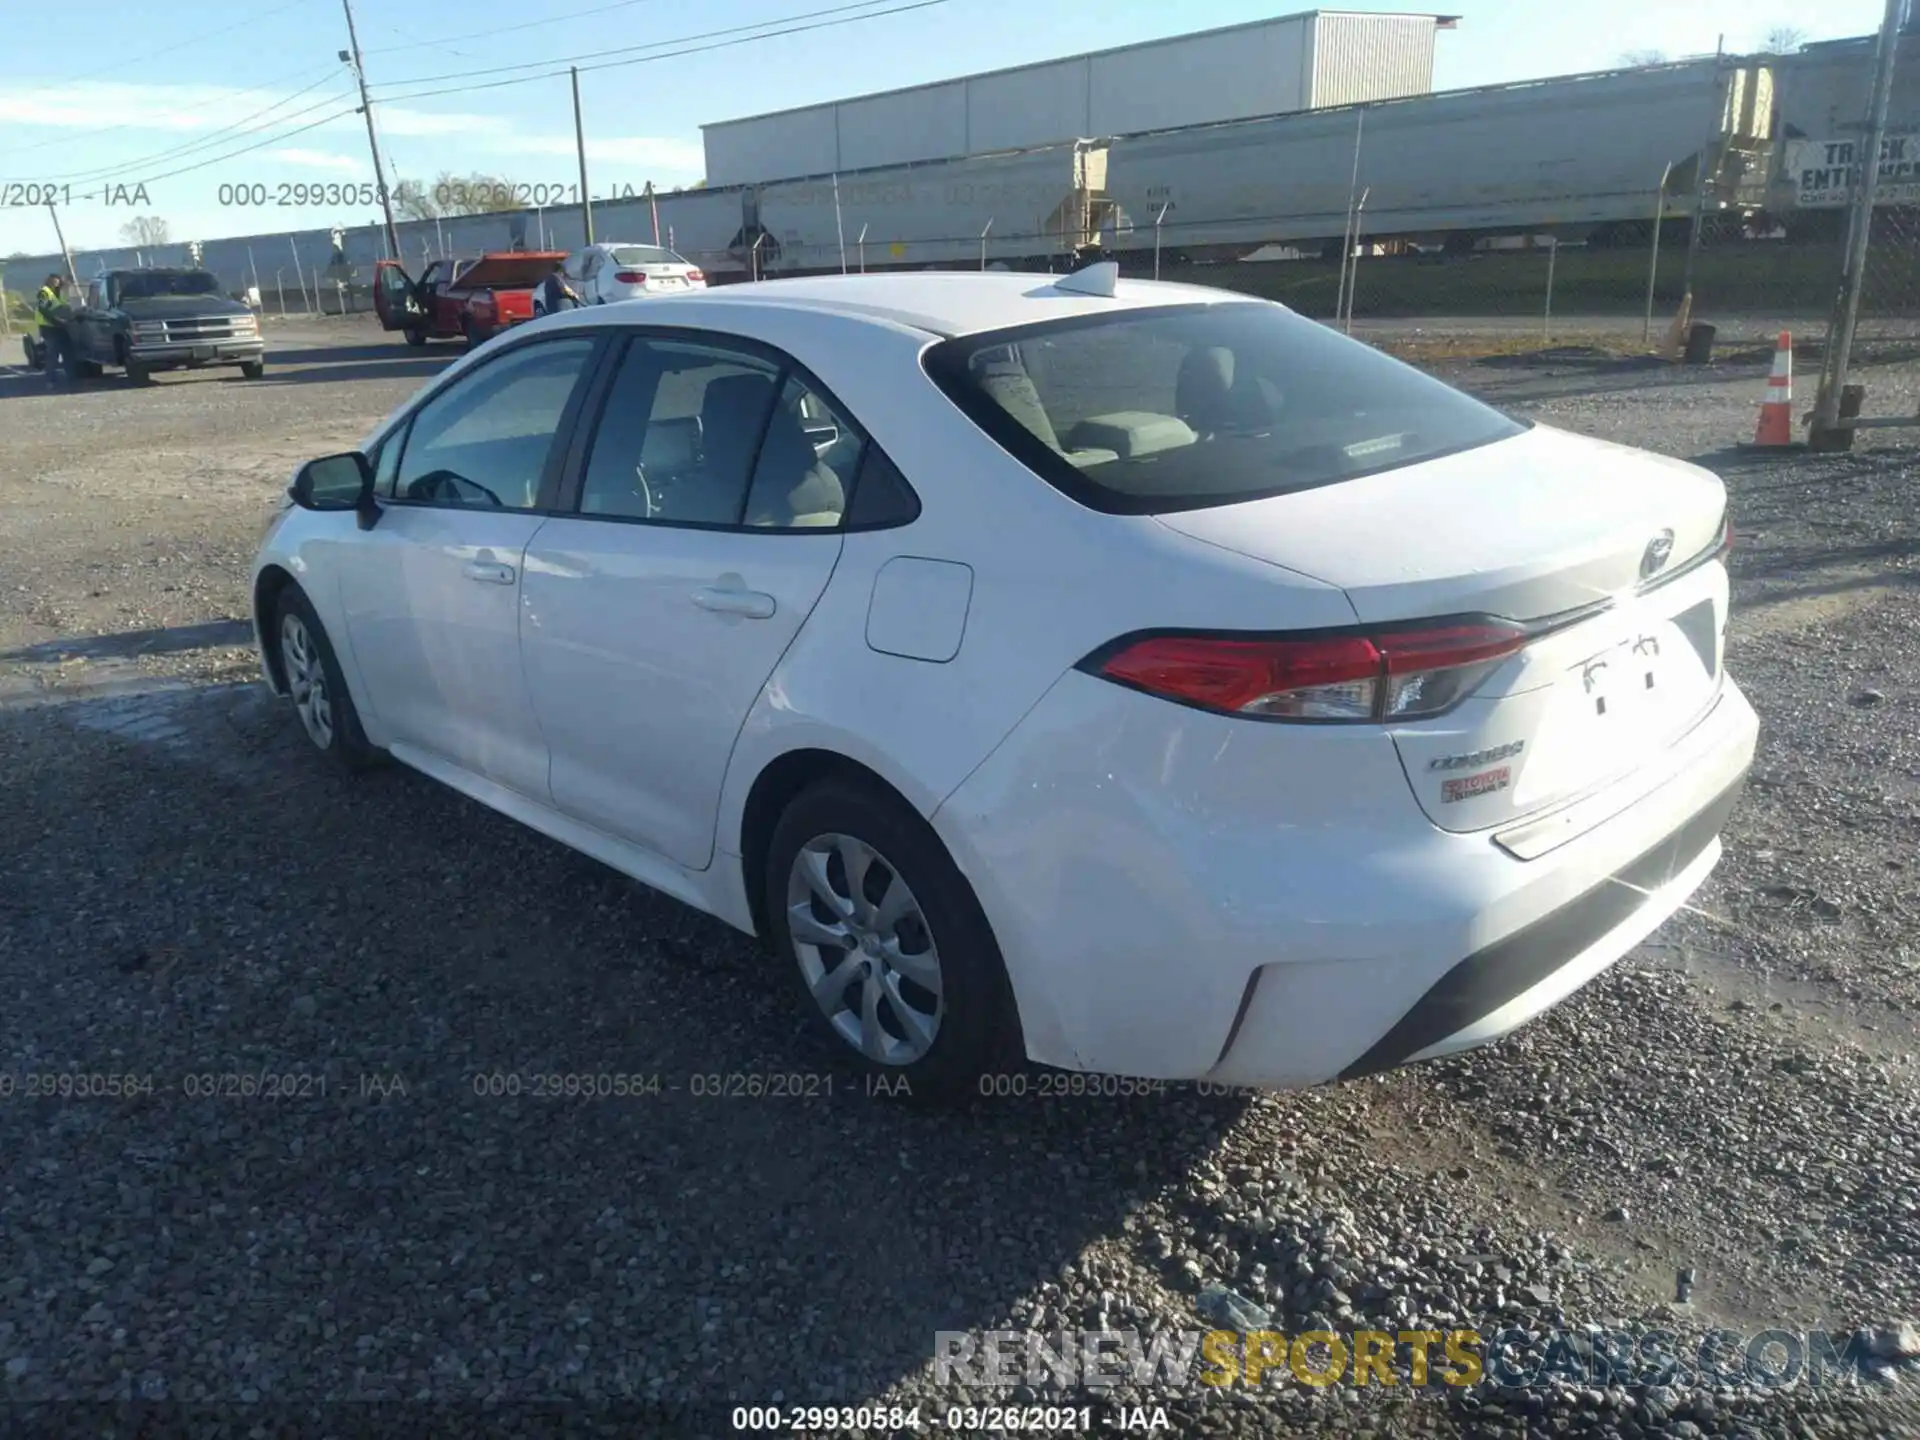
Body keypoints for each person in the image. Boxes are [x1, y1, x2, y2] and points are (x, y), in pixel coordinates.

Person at [35, 274, 72, 388]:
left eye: (58, 281)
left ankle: (71, 377)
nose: (56, 283)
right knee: (53, 353)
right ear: (49, 281)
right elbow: (43, 309)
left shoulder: (58, 293)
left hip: (60, 327)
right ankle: (50, 380)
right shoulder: (44, 292)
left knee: (68, 351)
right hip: (49, 327)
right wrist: (56, 321)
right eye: (53, 280)